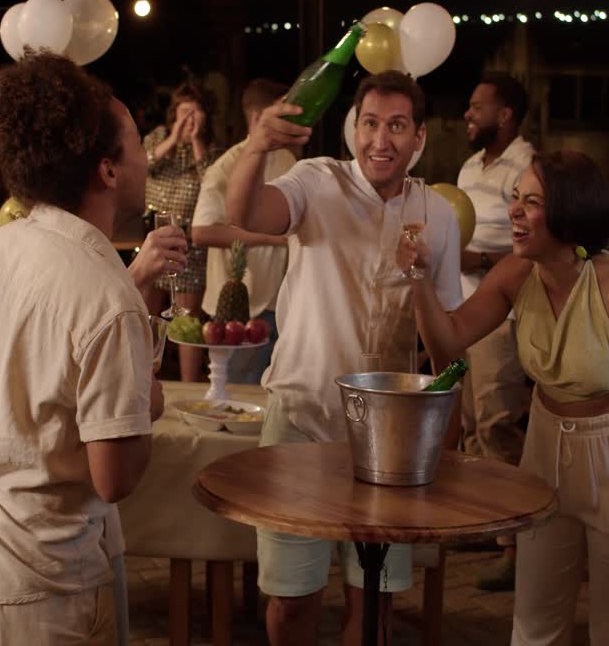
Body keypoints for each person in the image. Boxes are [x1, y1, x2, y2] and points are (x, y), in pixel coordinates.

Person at [0, 53, 177, 645]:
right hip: (38, 580)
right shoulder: (104, 293)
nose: (146, 159)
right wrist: (147, 403)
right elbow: (113, 478)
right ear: (108, 170)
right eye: (138, 143)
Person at [398, 151, 609, 646]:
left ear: (569, 213)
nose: (514, 211)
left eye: (532, 202)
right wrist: (419, 279)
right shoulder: (515, 274)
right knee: (534, 619)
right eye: (515, 198)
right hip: (544, 446)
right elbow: (449, 341)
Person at [227, 70, 463, 646]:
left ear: (420, 138)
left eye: (398, 127)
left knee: (374, 609)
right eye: (371, 123)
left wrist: (424, 279)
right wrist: (259, 145)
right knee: (291, 603)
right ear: (353, 128)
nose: (382, 140)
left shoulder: (438, 214)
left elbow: (448, 346)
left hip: (391, 438)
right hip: (300, 420)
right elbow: (248, 216)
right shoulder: (316, 181)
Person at [455, 72, 535, 590]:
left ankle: (515, 547)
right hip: (462, 308)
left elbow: (536, 242)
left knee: (498, 422)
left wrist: (481, 258)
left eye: (476, 106)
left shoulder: (526, 166)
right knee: (468, 423)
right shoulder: (469, 165)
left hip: (501, 314)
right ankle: (483, 521)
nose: (467, 114)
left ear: (504, 115)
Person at [191, 78, 293, 384]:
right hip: (238, 306)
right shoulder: (226, 166)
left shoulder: (287, 159)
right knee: (236, 398)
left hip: (279, 300)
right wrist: (272, 239)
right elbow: (201, 232)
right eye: (282, 115)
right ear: (258, 118)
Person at [143, 82, 220, 382]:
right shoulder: (159, 138)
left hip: (190, 247)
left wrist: (197, 141)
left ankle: (189, 385)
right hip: (153, 239)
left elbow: (213, 185)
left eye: (195, 114)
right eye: (183, 112)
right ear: (173, 114)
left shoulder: (211, 149)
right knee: (147, 319)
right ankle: (145, 380)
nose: (188, 120)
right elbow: (144, 164)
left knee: (186, 324)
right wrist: (174, 137)